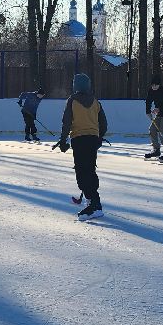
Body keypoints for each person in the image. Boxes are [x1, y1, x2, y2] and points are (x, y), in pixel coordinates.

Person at [58, 72, 109, 219]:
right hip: (93, 139)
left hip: (79, 139)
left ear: (75, 86)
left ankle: (94, 205)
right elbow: (104, 123)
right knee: (90, 169)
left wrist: (63, 140)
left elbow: (66, 122)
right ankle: (93, 201)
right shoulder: (95, 101)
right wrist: (99, 137)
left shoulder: (72, 100)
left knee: (82, 172)